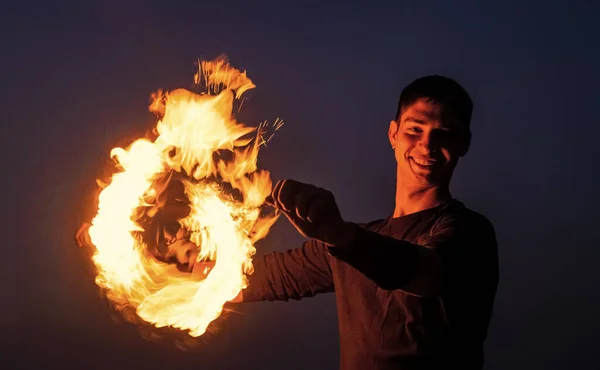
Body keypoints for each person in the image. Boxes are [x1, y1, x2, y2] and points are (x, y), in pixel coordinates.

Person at [76, 75, 499, 370]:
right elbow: (251, 278)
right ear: (393, 134)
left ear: (462, 145)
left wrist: (340, 235)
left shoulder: (466, 232)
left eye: (444, 134)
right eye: (415, 129)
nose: (427, 144)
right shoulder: (348, 247)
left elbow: (425, 274)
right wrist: (148, 246)